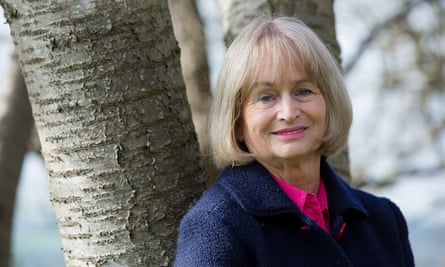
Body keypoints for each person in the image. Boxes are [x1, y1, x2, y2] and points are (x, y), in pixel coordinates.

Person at [175, 16, 414, 266]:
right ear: (237, 121)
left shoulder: (383, 221)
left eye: (303, 91)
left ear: (329, 105)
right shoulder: (216, 226)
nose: (288, 113)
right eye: (266, 97)